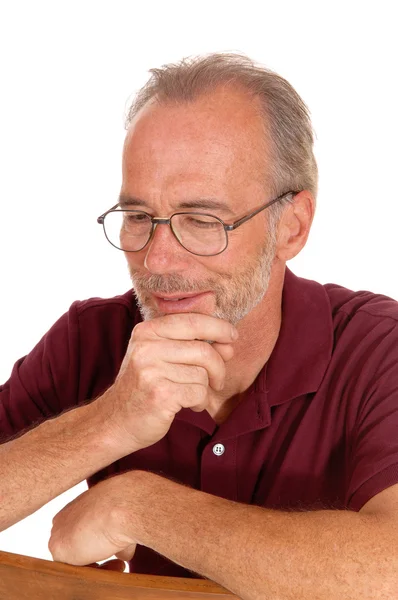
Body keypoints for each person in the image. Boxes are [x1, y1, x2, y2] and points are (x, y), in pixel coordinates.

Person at [1, 53, 398, 600]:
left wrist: (138, 505)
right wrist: (110, 421)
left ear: (293, 227)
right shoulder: (90, 339)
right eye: (139, 217)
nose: (158, 261)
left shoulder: (380, 349)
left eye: (202, 220)